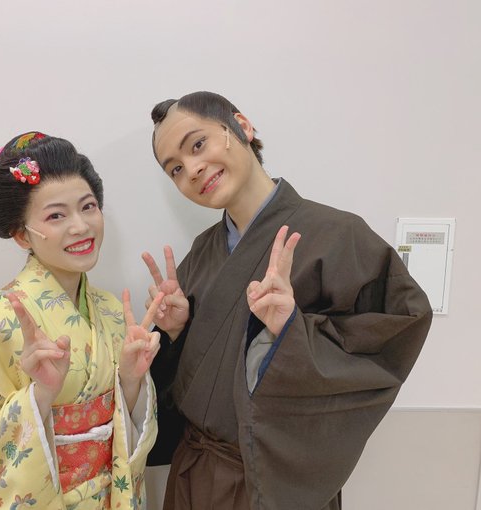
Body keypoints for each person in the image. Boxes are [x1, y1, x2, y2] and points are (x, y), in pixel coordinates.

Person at [142, 91, 433, 510]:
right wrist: (174, 333)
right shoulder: (202, 253)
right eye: (175, 168)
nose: (192, 169)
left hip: (278, 486)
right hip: (193, 474)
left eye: (198, 144)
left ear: (242, 126)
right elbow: (189, 383)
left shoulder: (338, 236)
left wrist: (290, 332)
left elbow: (394, 333)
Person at [0, 131, 162, 510]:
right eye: (56, 215)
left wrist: (130, 381)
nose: (81, 226)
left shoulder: (110, 310)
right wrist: (40, 395)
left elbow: (121, 430)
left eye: (88, 207)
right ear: (22, 235)